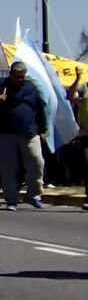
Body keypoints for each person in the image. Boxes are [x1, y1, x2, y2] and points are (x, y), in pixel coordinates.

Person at [0, 62, 48, 211]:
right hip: (5, 133)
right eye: (16, 76)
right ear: (10, 74)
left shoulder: (30, 87)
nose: (19, 80)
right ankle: (11, 199)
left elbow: (39, 108)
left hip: (29, 132)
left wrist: (43, 129)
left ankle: (34, 195)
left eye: (22, 77)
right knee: (8, 167)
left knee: (37, 162)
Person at [65, 68, 88, 211]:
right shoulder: (84, 87)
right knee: (87, 165)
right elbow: (70, 95)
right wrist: (77, 78)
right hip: (86, 134)